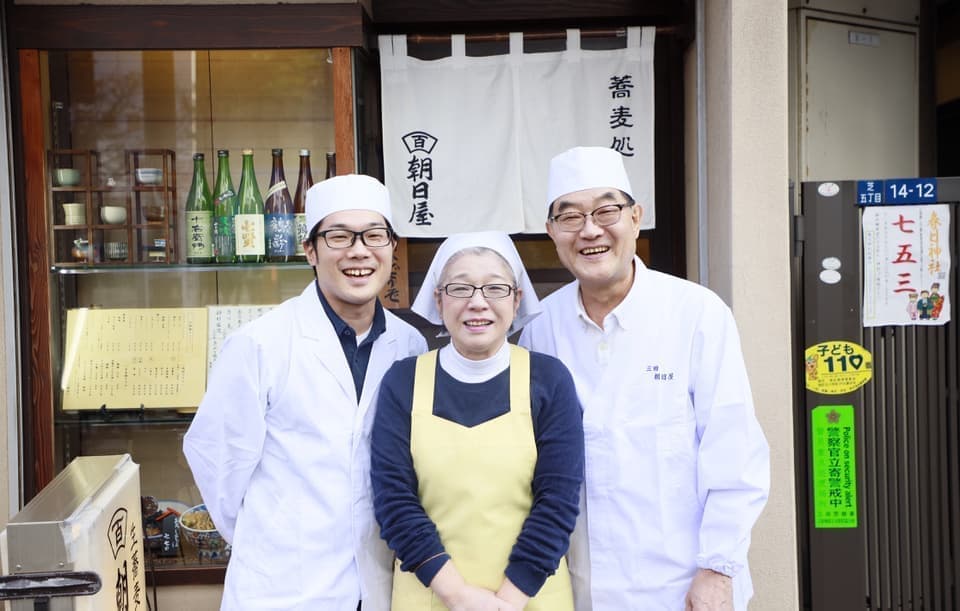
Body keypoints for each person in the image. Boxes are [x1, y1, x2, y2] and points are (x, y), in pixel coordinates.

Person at [519, 147, 770, 611]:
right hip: (584, 587)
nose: (590, 230)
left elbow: (734, 453)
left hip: (685, 585)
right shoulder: (540, 327)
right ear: (552, 232)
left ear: (636, 218)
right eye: (570, 217)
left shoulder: (696, 313)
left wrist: (717, 569)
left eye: (606, 211)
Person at [183, 174, 427, 610]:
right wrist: (274, 537)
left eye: (374, 235)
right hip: (283, 588)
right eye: (339, 236)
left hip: (377, 585)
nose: (359, 251)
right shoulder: (260, 343)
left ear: (392, 247)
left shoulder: (410, 345)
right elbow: (217, 462)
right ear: (310, 250)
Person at [371, 231, 584, 610]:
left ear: (516, 299)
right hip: (431, 595)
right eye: (460, 288)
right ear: (439, 299)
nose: (478, 302)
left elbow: (558, 502)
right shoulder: (403, 381)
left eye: (495, 288)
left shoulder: (548, 380)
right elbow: (394, 502)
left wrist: (507, 601)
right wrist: (458, 595)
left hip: (529, 597)